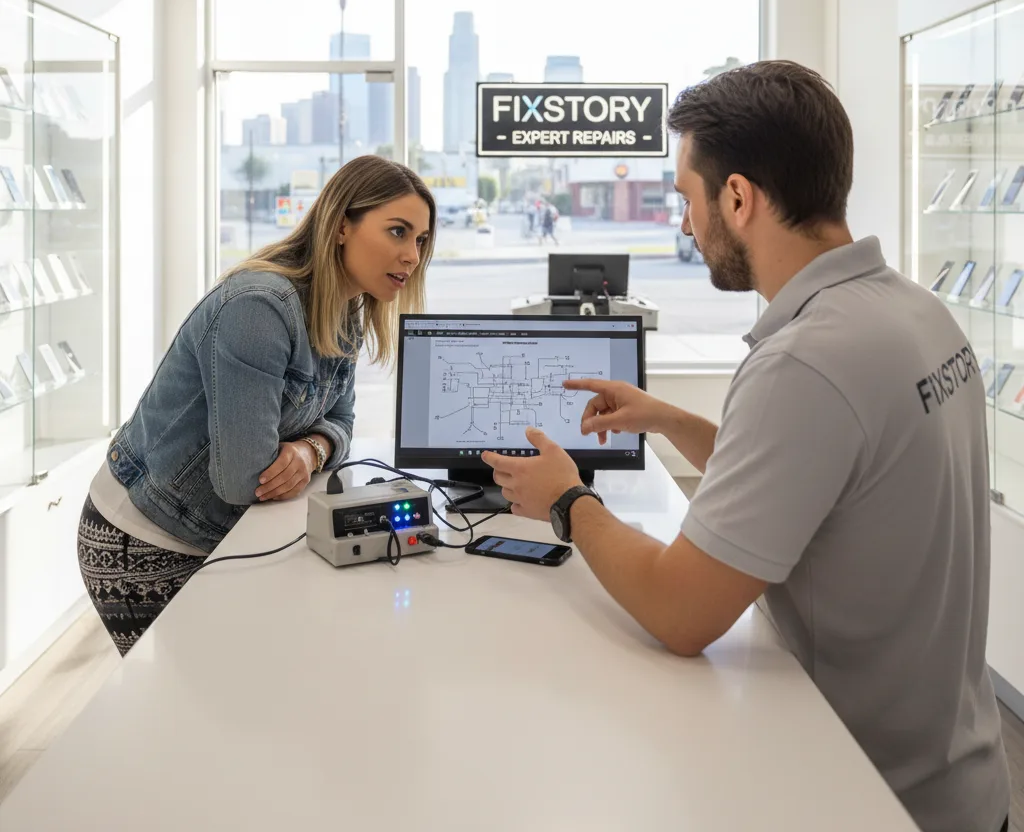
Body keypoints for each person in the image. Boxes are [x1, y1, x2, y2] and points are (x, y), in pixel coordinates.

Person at [481, 61, 1010, 832]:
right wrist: (670, 420)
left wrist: (567, 499)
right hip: (963, 782)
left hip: (866, 795)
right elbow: (828, 478)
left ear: (737, 197)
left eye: (687, 200)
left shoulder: (806, 362)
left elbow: (680, 612)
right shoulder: (911, 311)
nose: (685, 226)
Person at [78, 156, 435, 656]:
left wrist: (311, 449)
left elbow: (344, 419)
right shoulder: (259, 308)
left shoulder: (344, 308)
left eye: (420, 240)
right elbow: (245, 480)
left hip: (226, 536)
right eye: (398, 232)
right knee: (204, 695)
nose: (412, 256)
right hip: (146, 539)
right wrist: (311, 447)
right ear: (340, 227)